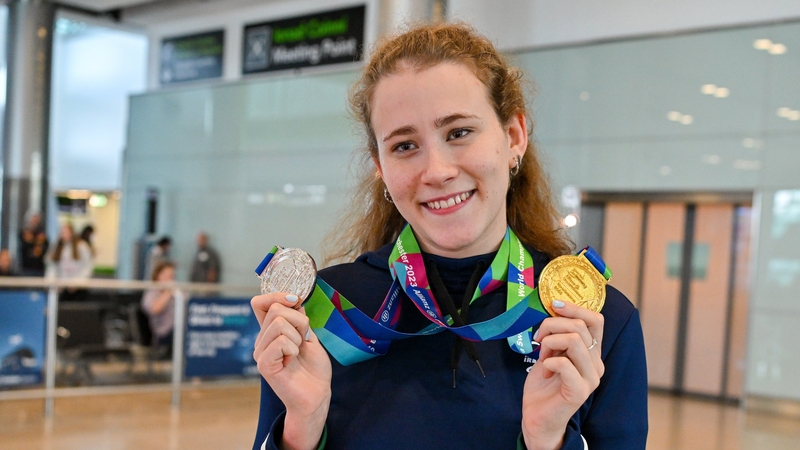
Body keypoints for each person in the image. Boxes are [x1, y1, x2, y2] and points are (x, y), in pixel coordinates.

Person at [251, 22, 648, 450]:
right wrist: (301, 427)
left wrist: (549, 440)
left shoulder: (595, 321)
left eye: (459, 133)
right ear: (380, 167)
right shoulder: (324, 313)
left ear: (514, 136)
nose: (437, 170)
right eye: (405, 145)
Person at [46, 223, 93, 301]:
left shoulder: (82, 246)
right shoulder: (56, 246)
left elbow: (87, 267)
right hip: (62, 289)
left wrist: (77, 283)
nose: (63, 235)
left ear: (72, 233)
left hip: (79, 289)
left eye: (65, 232)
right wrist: (53, 283)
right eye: (61, 232)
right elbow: (52, 267)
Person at [141, 261, 178, 357]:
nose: (171, 279)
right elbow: (155, 309)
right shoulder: (151, 294)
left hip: (179, 329)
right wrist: (168, 292)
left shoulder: (177, 294)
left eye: (172, 276)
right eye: (168, 276)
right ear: (159, 276)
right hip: (163, 333)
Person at [18, 211, 49, 276]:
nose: (35, 222)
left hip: (39, 268)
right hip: (26, 268)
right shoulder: (23, 234)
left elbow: (44, 249)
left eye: (36, 220)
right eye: (33, 220)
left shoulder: (42, 235)